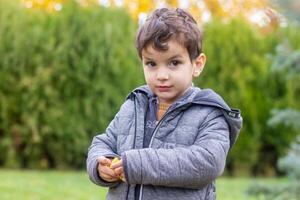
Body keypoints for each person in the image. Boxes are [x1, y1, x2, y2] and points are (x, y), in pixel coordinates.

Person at [87, 7, 242, 200]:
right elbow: (104, 142)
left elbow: (208, 162)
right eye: (151, 64)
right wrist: (101, 165)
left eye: (174, 63)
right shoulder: (135, 105)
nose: (161, 75)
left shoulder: (210, 112)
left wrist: (138, 165)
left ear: (197, 65)